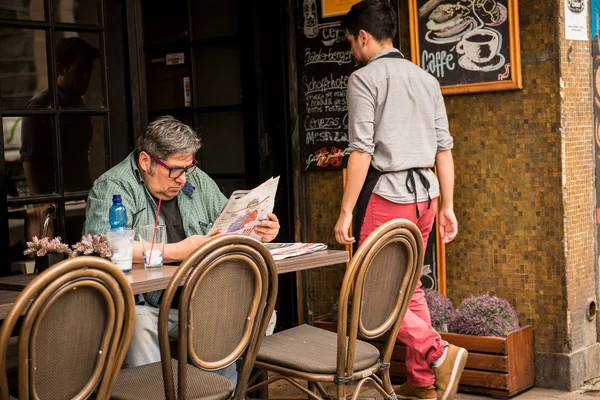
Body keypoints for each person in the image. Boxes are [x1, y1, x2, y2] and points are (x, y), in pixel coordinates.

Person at [334, 2, 466, 400]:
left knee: (365, 292)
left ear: (362, 36)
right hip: (426, 197)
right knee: (411, 289)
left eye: (351, 43)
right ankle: (423, 383)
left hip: (388, 198)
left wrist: (345, 212)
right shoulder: (426, 79)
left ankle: (438, 352)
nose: (353, 52)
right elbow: (444, 149)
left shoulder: (364, 79)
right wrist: (447, 206)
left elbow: (361, 151)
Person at [83, 116, 280, 381]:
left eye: (187, 168)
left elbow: (231, 220)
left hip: (201, 299)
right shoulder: (115, 187)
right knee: (137, 322)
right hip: (149, 305)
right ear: (145, 161)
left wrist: (259, 229)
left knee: (249, 311)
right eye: (175, 170)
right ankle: (156, 391)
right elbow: (100, 246)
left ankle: (218, 391)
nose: (182, 178)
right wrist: (176, 251)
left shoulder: (193, 179)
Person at [21, 36, 99, 194]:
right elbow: (29, 160)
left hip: (80, 193)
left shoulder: (79, 105)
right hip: (55, 198)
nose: (86, 76)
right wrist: (43, 204)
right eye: (80, 70)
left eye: (89, 70)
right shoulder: (39, 106)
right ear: (60, 69)